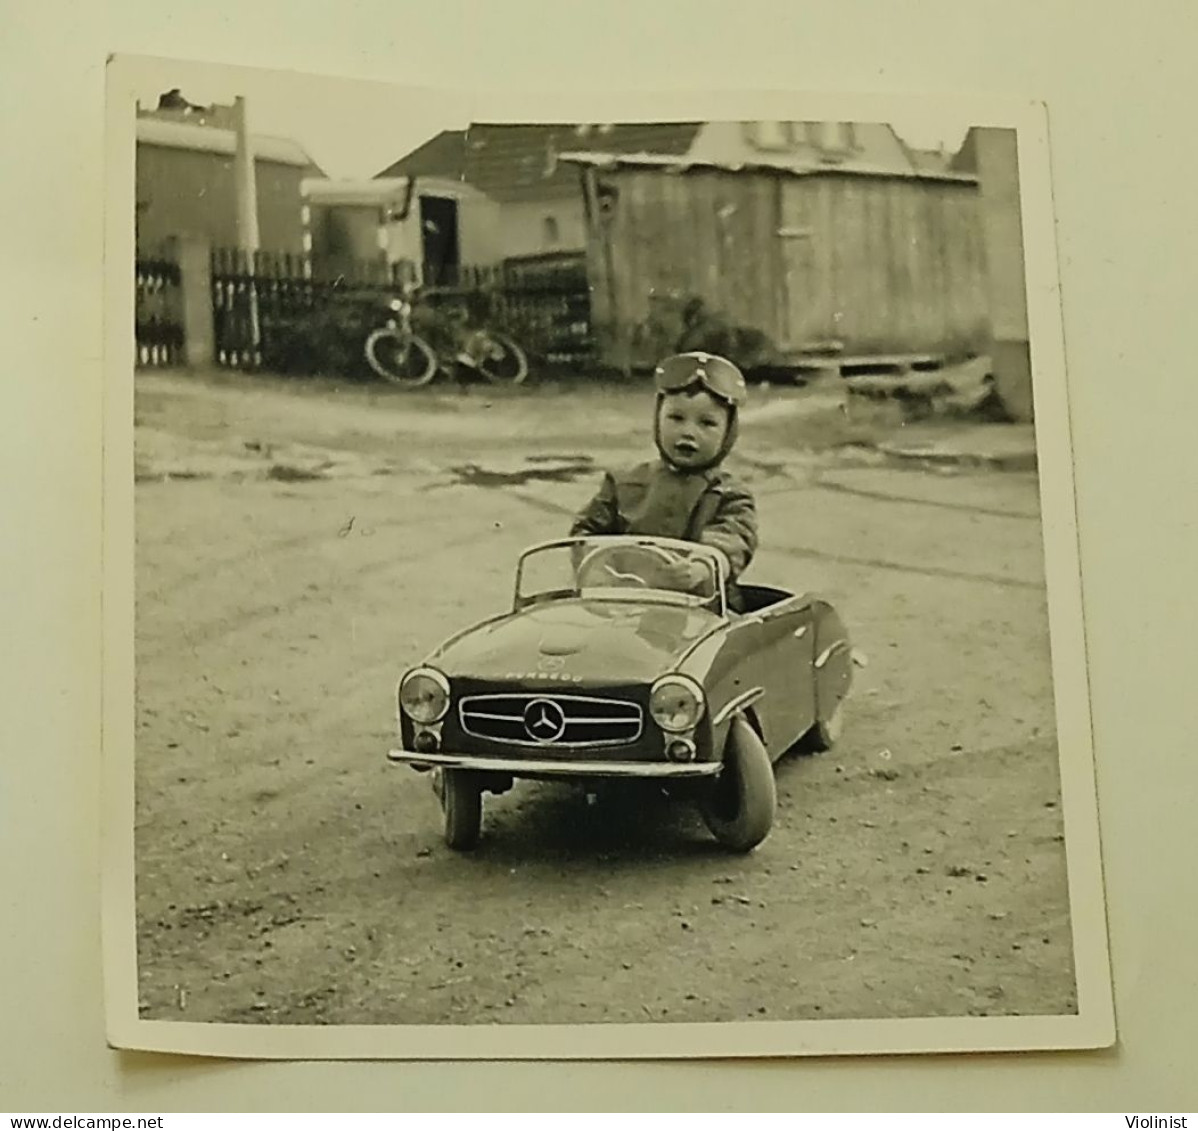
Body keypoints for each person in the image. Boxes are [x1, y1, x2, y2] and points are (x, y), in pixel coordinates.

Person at [570, 351, 757, 609]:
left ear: (728, 433)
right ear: (658, 419)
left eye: (707, 423)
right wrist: (599, 569)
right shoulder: (624, 481)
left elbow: (733, 539)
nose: (689, 432)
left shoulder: (730, 494)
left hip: (700, 609)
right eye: (676, 418)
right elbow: (586, 532)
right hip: (624, 603)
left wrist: (704, 567)